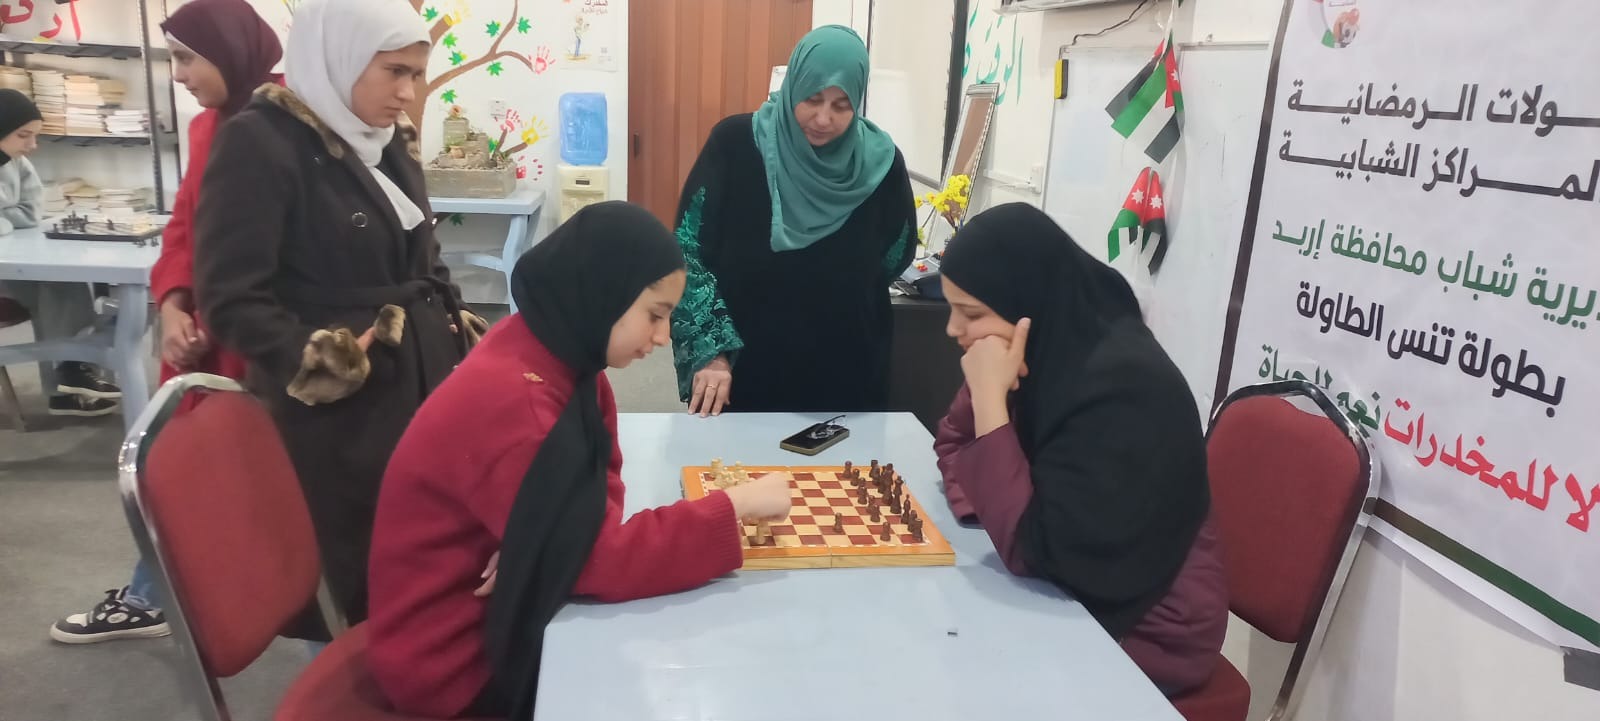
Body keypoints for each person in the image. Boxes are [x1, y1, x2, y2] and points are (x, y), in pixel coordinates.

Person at [367, 202, 792, 719]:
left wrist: (545, 544)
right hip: (453, 665)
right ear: (603, 290)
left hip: (496, 618)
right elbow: (600, 560)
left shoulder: (556, 355)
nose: (663, 338)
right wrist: (733, 506)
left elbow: (595, 502)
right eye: (654, 315)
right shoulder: (520, 401)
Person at [194, 0, 480, 631]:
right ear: (340, 57)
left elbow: (423, 256)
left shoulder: (388, 141)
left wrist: (456, 325)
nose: (408, 93)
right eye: (394, 72)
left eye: (416, 74)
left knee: (425, 563)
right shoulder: (260, 143)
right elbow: (228, 296)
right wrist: (325, 359)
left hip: (420, 384)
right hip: (341, 414)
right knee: (356, 578)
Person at [50, 0, 282, 646]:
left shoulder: (288, 128)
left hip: (261, 338)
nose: (177, 74)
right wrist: (175, 302)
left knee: (261, 475)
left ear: (230, 51)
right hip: (202, 336)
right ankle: (153, 594)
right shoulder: (209, 127)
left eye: (186, 58)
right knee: (175, 467)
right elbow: (183, 224)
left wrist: (221, 314)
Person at [932, 203, 1227, 696]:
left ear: (1027, 303)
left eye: (972, 314)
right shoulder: (1042, 353)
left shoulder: (1125, 391)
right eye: (951, 309)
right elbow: (953, 445)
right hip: (1066, 588)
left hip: (1151, 627)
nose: (952, 329)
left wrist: (989, 407)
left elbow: (1034, 550)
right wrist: (999, 498)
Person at [671, 25, 916, 416]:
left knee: (845, 456)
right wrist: (711, 350)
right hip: (743, 367)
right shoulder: (735, 145)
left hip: (847, 368)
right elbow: (687, 251)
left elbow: (896, 252)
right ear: (793, 86)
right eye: (812, 98)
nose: (823, 118)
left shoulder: (881, 163)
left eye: (841, 105)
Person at [0, 89, 121, 418]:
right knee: (55, 285)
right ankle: (70, 371)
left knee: (61, 280)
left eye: (35, 136)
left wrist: (4, 218)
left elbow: (31, 212)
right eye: (23, 135)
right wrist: (9, 218)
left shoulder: (18, 163)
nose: (32, 145)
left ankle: (67, 377)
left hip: (12, 263)